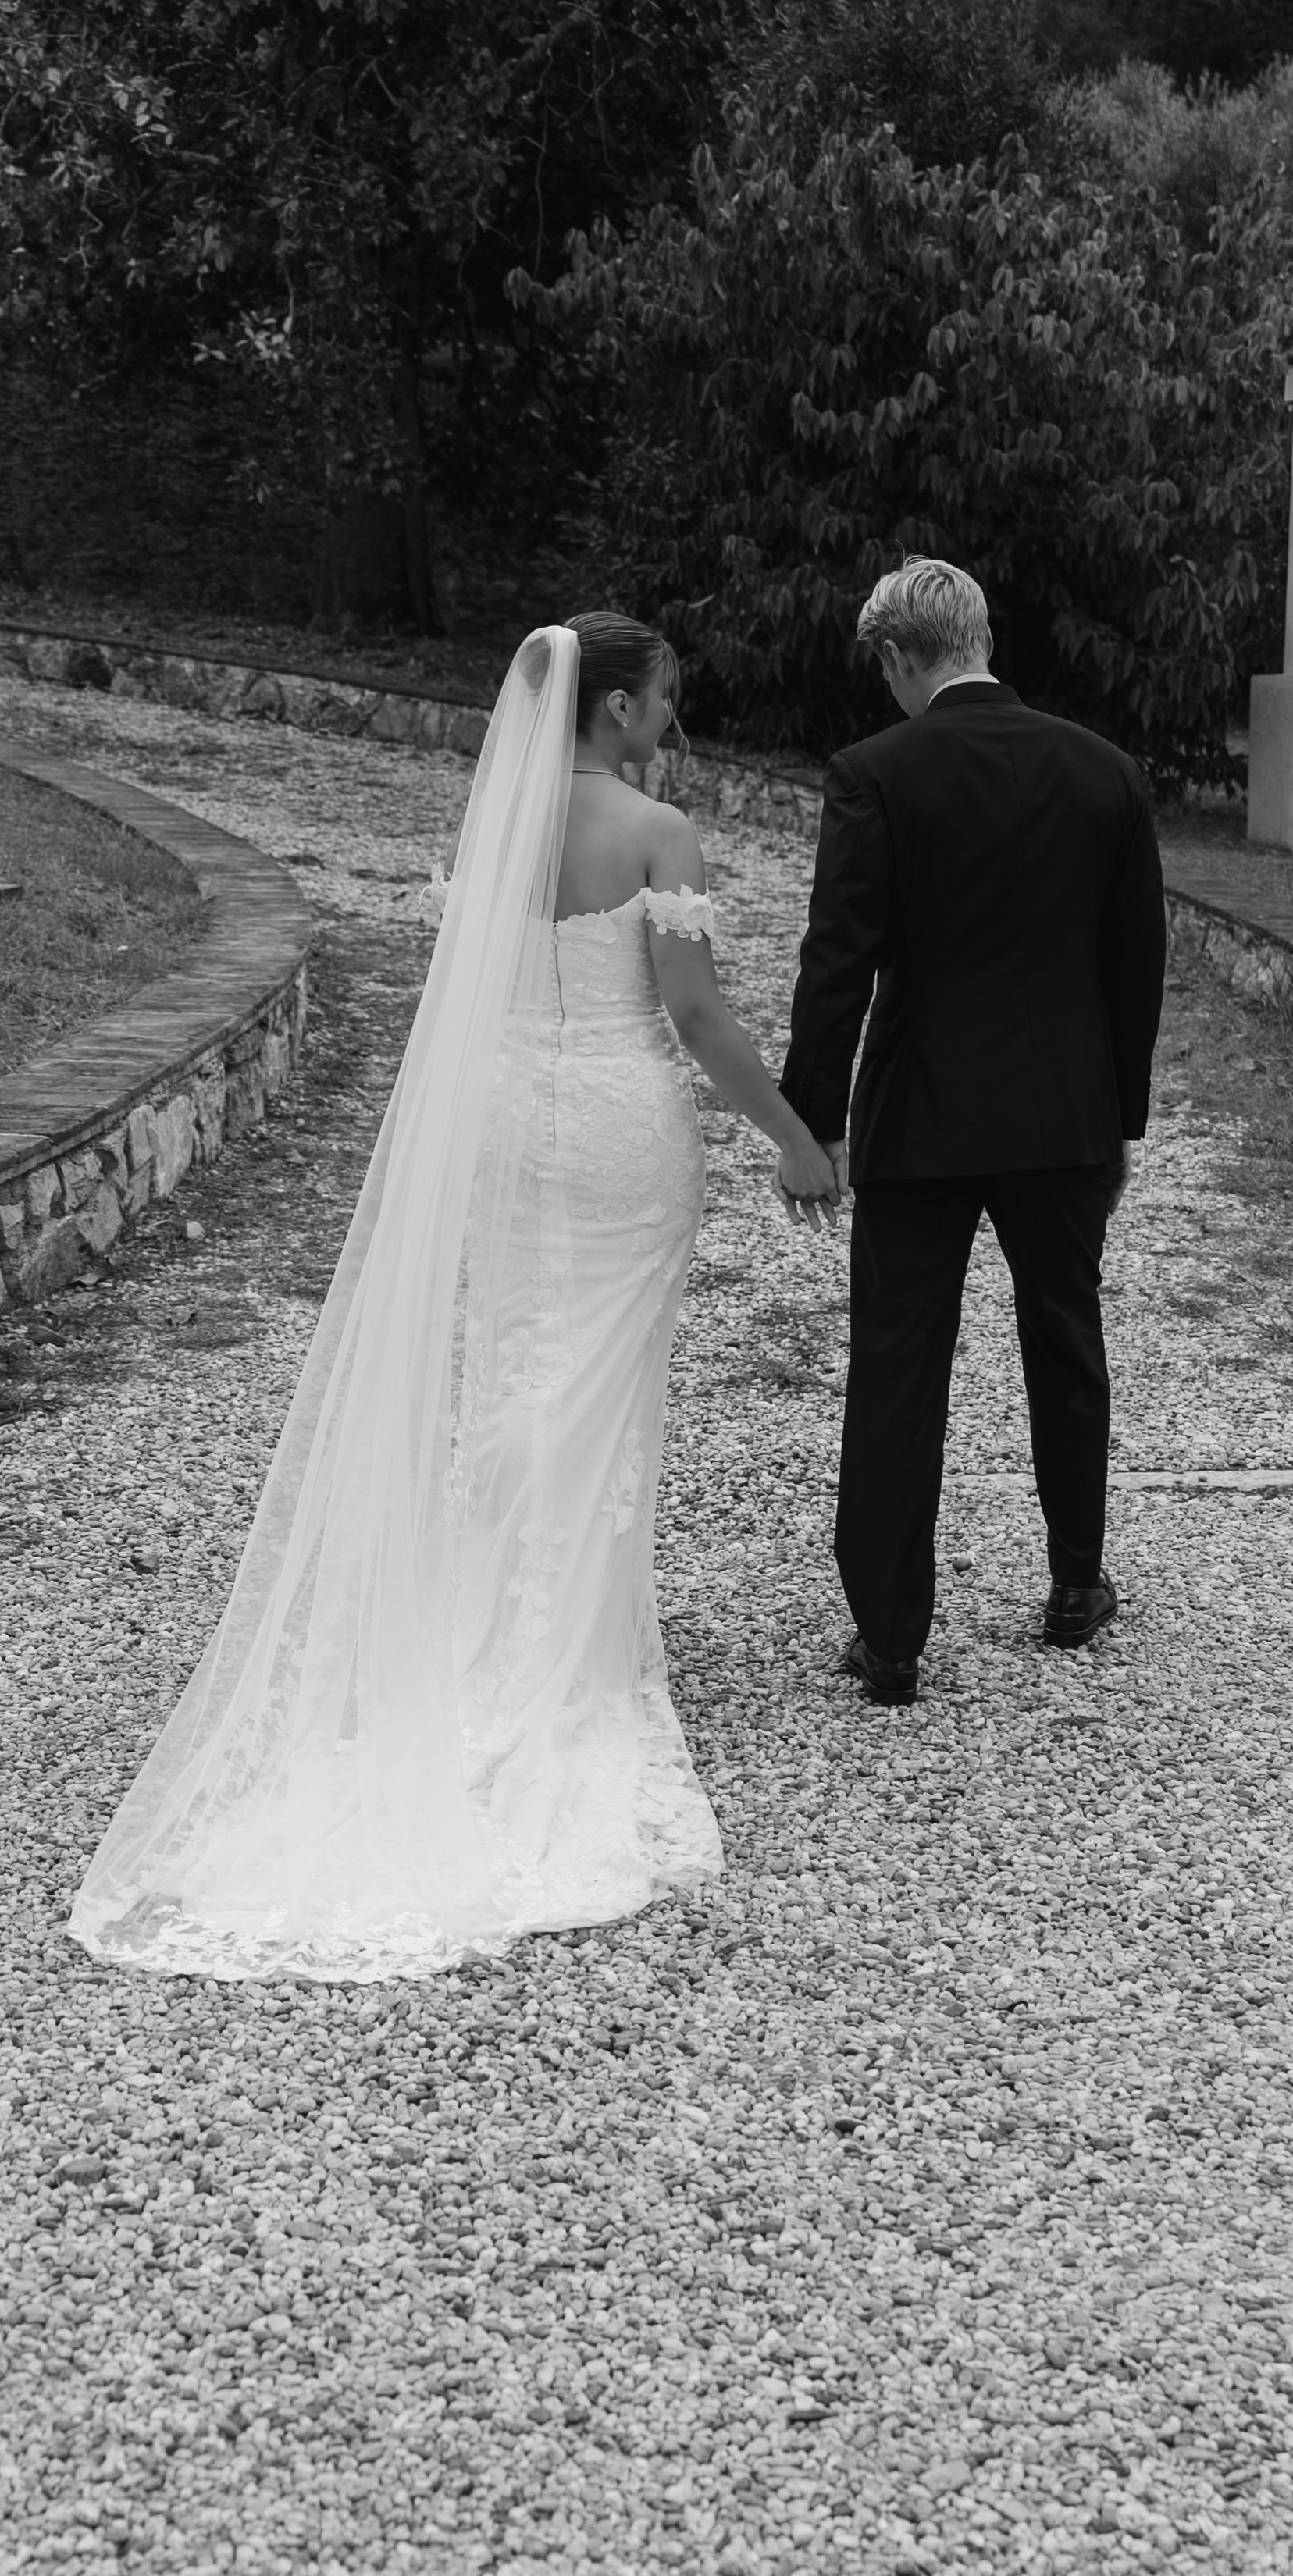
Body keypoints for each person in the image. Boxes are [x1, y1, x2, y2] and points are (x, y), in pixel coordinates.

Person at [71, 617, 838, 1981]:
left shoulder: (500, 822)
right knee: (600, 1375)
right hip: (617, 1126)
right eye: (663, 698)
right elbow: (698, 1018)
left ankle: (503, 1613)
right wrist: (795, 1140)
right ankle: (568, 1652)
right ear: (615, 708)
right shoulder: (657, 832)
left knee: (521, 1358)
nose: (673, 721)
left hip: (504, 1120)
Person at [778, 557, 1167, 1707]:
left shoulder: (875, 774)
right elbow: (1134, 968)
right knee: (1066, 1337)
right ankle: (1076, 1583)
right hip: (1064, 1116)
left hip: (923, 1114)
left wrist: (814, 1123)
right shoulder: (1105, 772)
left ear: (903, 656)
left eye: (885, 670)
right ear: (982, 637)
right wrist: (1121, 1120)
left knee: (900, 1362)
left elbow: (837, 964)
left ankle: (892, 1638)